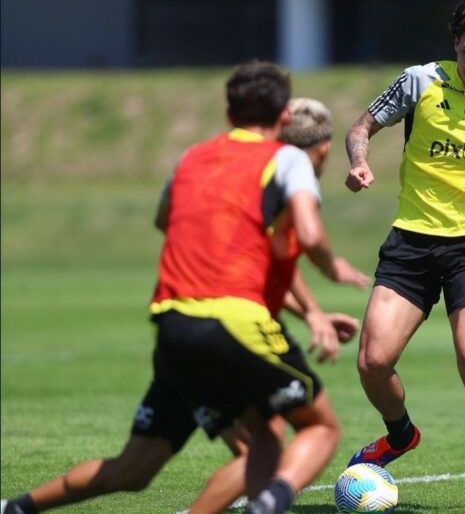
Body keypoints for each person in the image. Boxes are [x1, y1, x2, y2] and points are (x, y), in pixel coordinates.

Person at [1, 77, 367, 514]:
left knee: (137, 468)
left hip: (173, 325)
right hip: (232, 328)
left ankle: (13, 508)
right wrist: (333, 269)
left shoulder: (193, 157)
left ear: (230, 114)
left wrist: (313, 314)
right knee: (318, 428)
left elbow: (165, 219)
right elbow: (305, 237)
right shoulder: (285, 162)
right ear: (285, 118)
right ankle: (267, 504)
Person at [343, 0, 465, 514]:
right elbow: (360, 127)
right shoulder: (419, 81)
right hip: (410, 241)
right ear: (455, 44)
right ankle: (400, 435)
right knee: (372, 362)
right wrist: (360, 163)